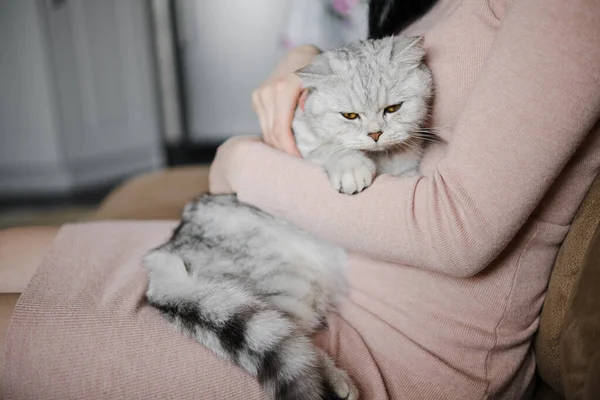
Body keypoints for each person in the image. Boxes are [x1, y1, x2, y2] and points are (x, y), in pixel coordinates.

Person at [1, 0, 599, 398]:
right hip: (314, 245)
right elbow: (367, 86)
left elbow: (458, 229)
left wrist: (240, 162)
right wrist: (304, 62)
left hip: (388, 338)